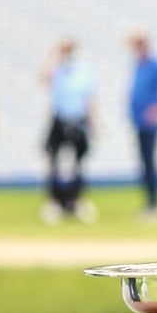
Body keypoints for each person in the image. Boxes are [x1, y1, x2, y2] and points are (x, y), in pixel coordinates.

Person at [41, 39, 96, 224]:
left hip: (78, 120)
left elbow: (89, 99)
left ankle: (75, 201)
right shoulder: (58, 69)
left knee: (78, 164)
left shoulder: (84, 70)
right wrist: (55, 52)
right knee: (54, 162)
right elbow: (44, 78)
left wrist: (93, 123)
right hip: (59, 119)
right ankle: (56, 201)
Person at [128, 33, 157, 218]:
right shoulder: (139, 64)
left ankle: (154, 204)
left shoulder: (155, 64)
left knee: (151, 163)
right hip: (139, 120)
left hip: (150, 123)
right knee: (145, 163)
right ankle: (149, 203)